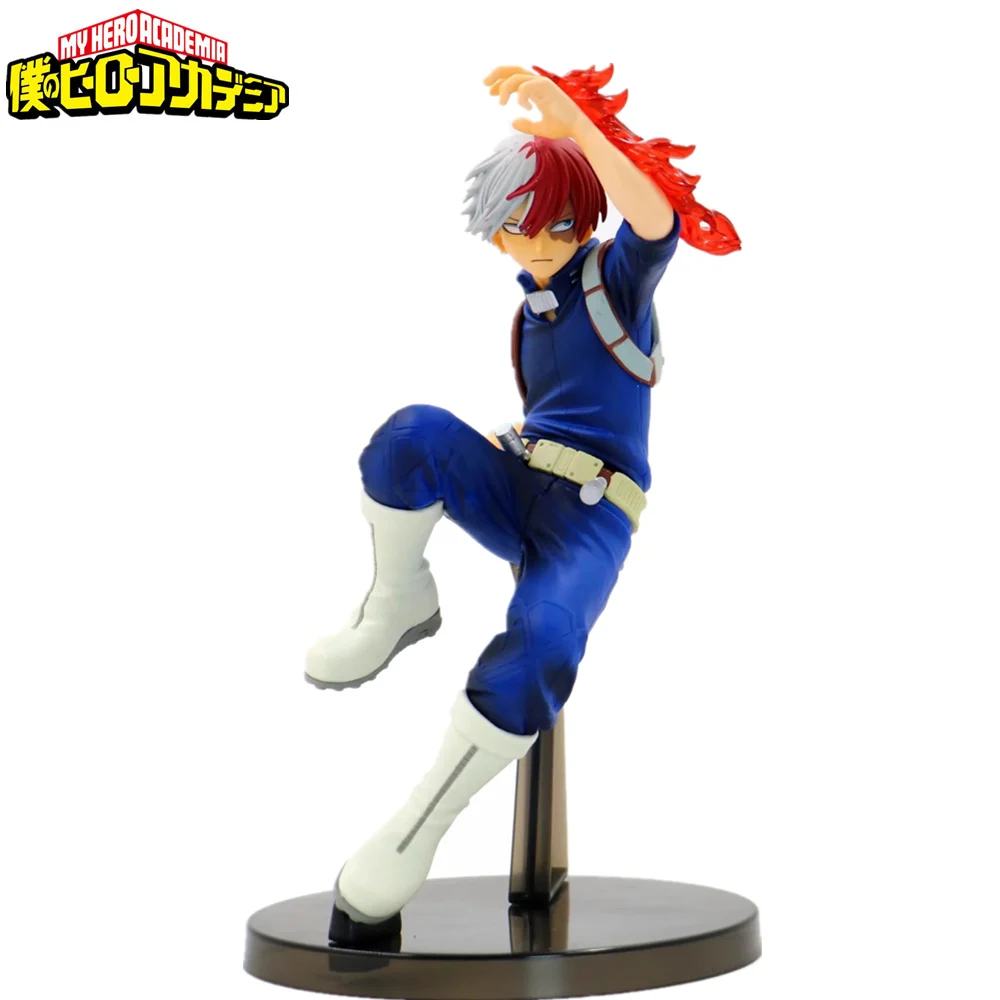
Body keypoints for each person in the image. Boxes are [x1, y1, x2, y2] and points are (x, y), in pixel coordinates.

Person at [305, 64, 739, 945]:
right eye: (518, 227)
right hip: (518, 481)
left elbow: (655, 219)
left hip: (590, 517)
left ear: (587, 222)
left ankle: (411, 834)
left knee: (541, 644)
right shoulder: (532, 308)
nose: (539, 244)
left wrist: (577, 125)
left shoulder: (615, 281)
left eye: (560, 225)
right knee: (411, 435)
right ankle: (398, 603)